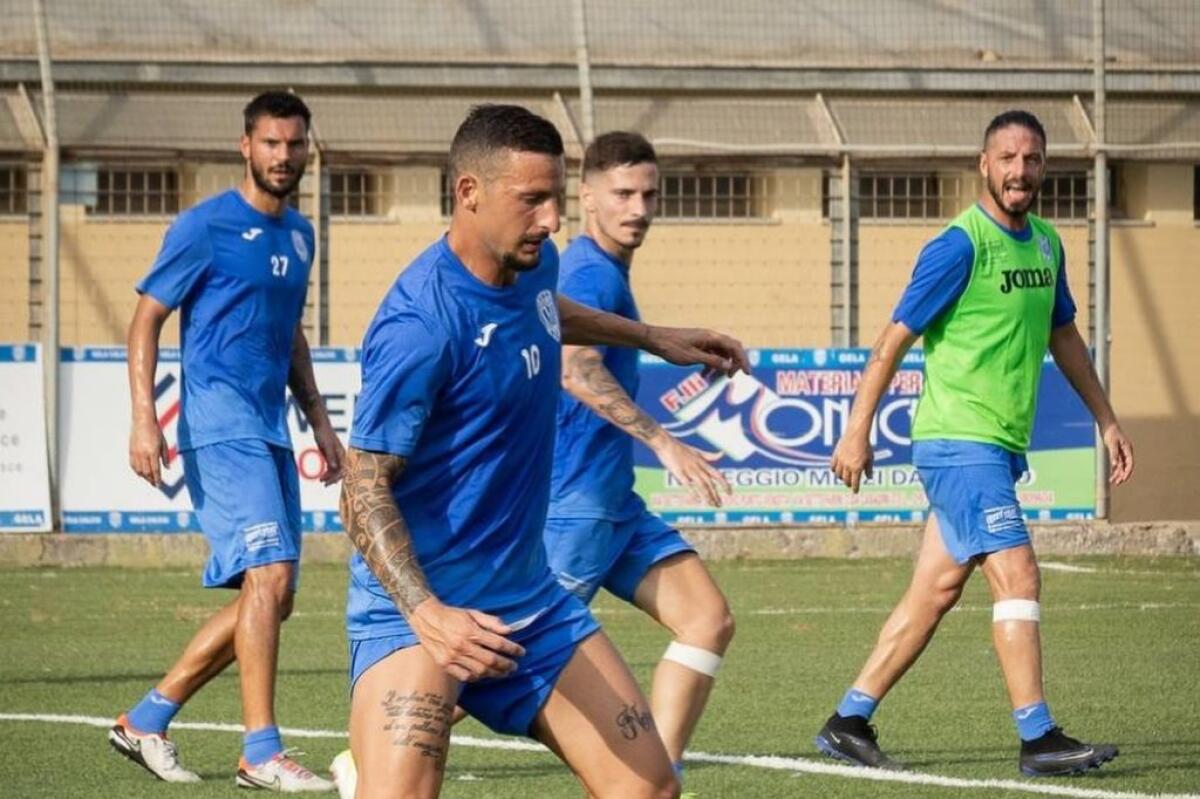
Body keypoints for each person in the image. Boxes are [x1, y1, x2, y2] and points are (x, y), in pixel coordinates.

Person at [338, 104, 749, 799]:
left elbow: (547, 310)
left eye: (555, 198)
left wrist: (652, 337)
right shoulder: (421, 325)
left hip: (529, 599)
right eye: (531, 200)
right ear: (469, 192)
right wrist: (429, 615)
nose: (551, 220)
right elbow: (360, 486)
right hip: (423, 615)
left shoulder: (533, 264)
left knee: (649, 788)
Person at [815, 109, 1135, 777]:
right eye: (1007, 158)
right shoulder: (959, 246)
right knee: (1018, 573)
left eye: (1032, 158)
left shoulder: (1046, 245)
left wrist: (1106, 420)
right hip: (960, 440)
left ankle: (848, 719)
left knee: (934, 592)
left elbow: (1064, 335)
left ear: (1044, 167)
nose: (1020, 170)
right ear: (983, 166)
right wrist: (856, 428)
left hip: (995, 445)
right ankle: (1038, 737)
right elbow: (892, 340)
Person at [113, 90, 341, 793]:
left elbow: (290, 332)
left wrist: (319, 420)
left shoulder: (300, 235)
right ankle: (260, 752)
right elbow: (146, 318)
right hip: (218, 423)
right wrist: (145, 417)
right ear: (246, 147)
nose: (284, 155)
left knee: (275, 596)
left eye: (294, 143)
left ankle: (147, 719)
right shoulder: (204, 227)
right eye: (271, 142)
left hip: (270, 429)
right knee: (268, 577)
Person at [544, 131, 735, 786]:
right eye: (623, 193)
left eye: (649, 194)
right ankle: (374, 755)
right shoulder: (589, 271)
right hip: (574, 504)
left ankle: (657, 775)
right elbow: (576, 367)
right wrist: (663, 440)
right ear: (587, 195)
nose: (639, 208)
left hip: (613, 504)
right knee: (508, 656)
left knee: (706, 618)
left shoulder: (604, 270)